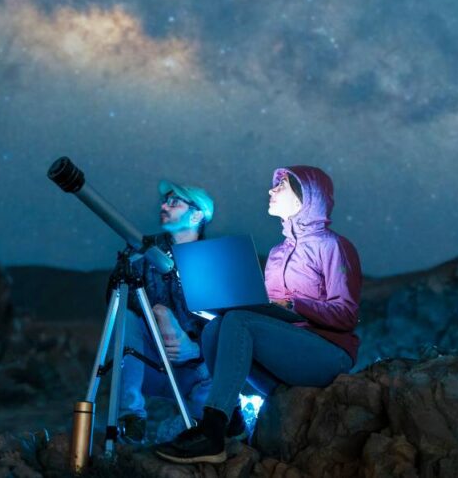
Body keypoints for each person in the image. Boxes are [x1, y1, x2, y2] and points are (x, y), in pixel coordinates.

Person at [155, 165, 362, 464]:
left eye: (280, 186)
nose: (271, 190)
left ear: (307, 197)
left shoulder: (333, 246)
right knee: (217, 327)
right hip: (284, 356)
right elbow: (265, 315)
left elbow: (346, 315)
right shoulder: (277, 254)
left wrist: (293, 305)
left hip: (326, 355)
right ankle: (232, 423)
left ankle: (211, 432)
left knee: (238, 322)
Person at [109, 180, 245, 443]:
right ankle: (131, 419)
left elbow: (232, 325)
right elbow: (115, 295)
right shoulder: (145, 252)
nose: (164, 206)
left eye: (174, 202)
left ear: (196, 214)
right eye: (164, 201)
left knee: (186, 432)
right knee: (125, 318)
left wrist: (196, 349)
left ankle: (210, 424)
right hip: (150, 362)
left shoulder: (216, 262)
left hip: (194, 372)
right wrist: (160, 313)